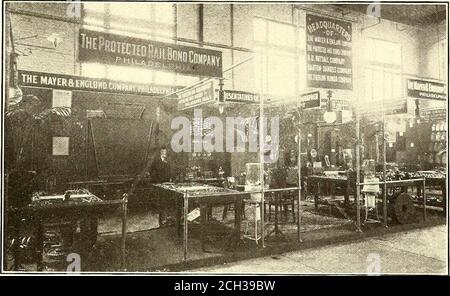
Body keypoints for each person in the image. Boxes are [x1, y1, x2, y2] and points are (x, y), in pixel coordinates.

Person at [150, 147, 174, 227]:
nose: (164, 154)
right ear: (160, 152)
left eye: (165, 152)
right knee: (161, 202)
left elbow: (170, 171)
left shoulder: (168, 161)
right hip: (159, 184)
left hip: (167, 184)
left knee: (167, 201)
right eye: (163, 152)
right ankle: (162, 220)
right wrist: (157, 181)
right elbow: (152, 171)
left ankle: (167, 219)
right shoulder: (156, 161)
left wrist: (170, 179)